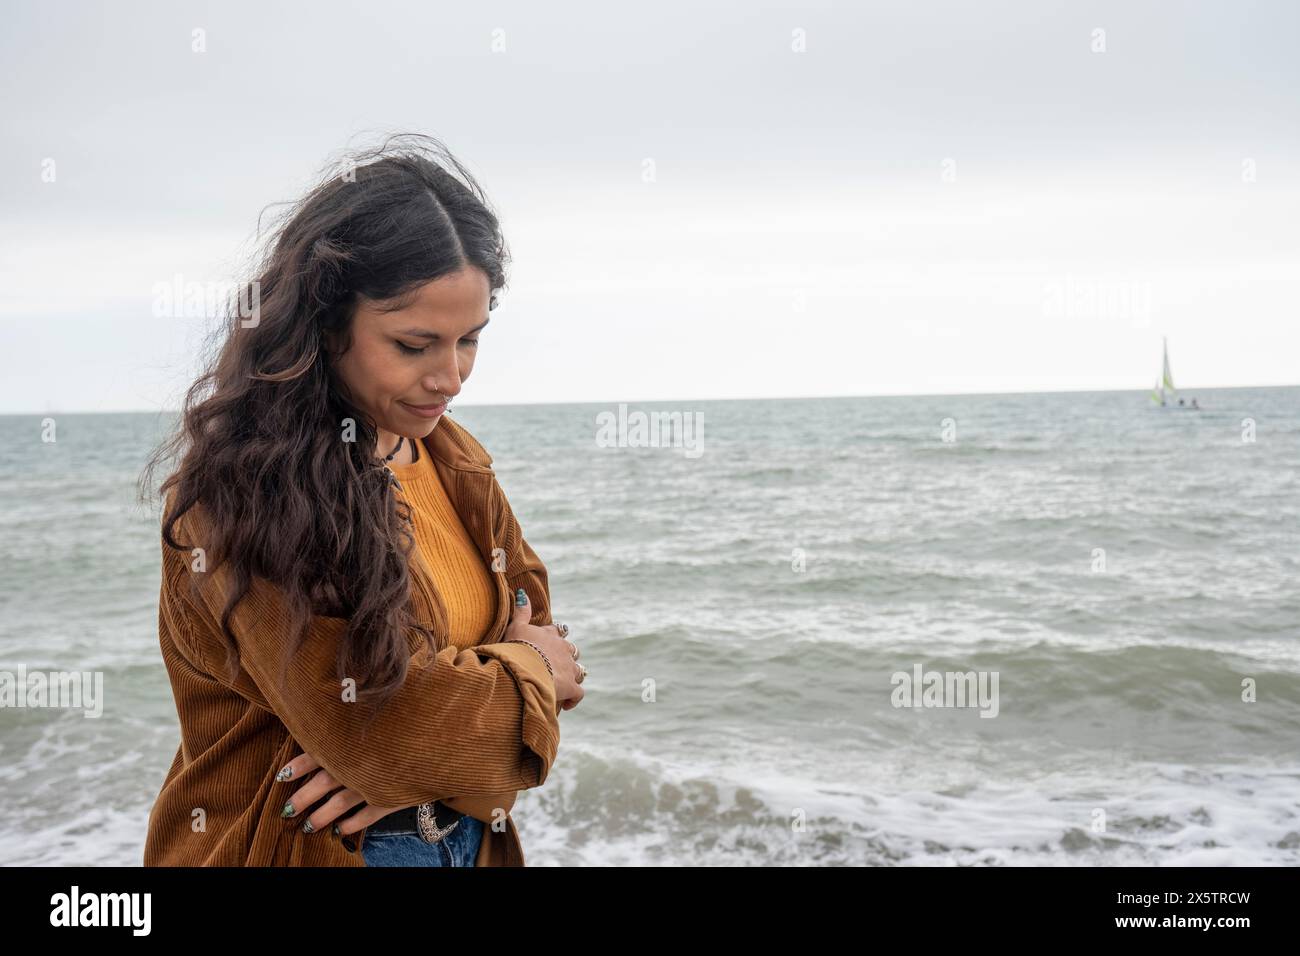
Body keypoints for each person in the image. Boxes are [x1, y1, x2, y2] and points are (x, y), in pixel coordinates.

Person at [140, 134, 585, 867]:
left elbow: (551, 657)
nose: (451, 376)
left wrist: (432, 758)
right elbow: (379, 732)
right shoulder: (244, 494)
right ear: (324, 323)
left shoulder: (452, 457)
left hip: (468, 846)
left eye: (469, 339)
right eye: (414, 345)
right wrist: (427, 743)